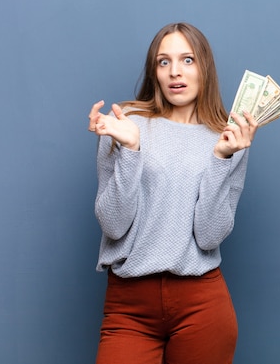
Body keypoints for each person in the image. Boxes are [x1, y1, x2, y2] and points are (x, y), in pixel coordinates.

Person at [87, 22, 257, 364]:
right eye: (164, 62)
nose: (175, 72)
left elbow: (209, 236)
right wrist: (132, 150)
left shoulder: (228, 136)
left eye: (188, 60)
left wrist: (222, 158)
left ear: (204, 67)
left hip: (202, 303)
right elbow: (114, 226)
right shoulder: (125, 122)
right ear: (154, 71)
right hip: (130, 306)